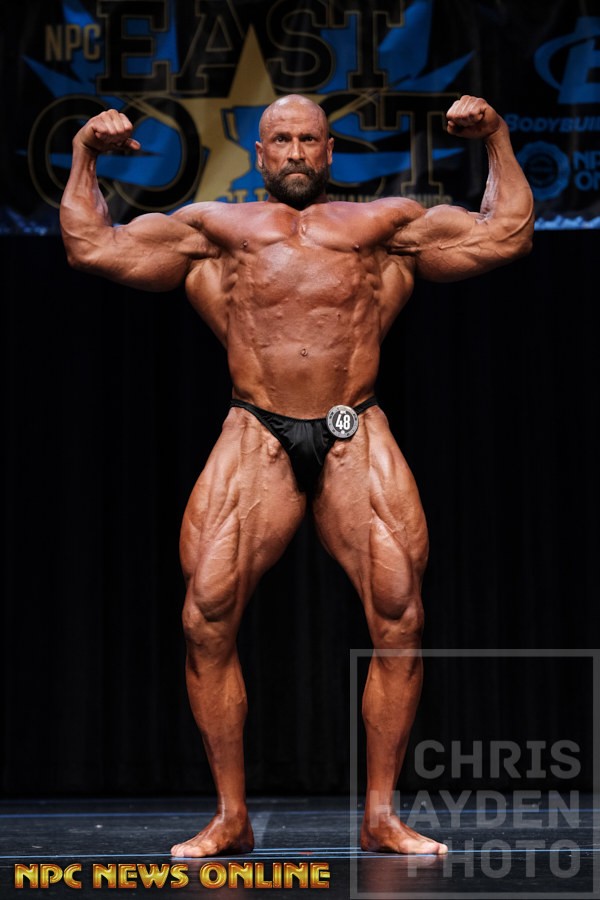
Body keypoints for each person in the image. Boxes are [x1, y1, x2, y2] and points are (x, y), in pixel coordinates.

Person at [60, 93, 534, 858]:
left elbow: (505, 234)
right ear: (259, 153)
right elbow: (91, 246)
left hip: (354, 426)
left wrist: (498, 137)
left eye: (308, 140)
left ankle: (381, 816)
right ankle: (230, 817)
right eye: (280, 140)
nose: (294, 153)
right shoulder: (215, 230)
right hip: (257, 430)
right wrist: (84, 150)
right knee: (205, 614)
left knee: (400, 617)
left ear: (329, 150)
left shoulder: (383, 226)